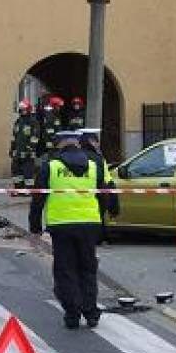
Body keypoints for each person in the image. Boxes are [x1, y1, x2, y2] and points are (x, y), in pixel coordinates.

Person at [29, 131, 118, 330]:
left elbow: (38, 199)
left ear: (59, 145)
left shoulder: (50, 166)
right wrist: (104, 217)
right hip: (89, 224)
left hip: (61, 226)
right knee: (87, 268)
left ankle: (72, 313)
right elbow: (104, 194)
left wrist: (34, 228)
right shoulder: (94, 165)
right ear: (77, 144)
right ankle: (91, 312)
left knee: (65, 269)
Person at [78, 128, 119, 244]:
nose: (98, 144)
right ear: (91, 141)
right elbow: (109, 182)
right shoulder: (99, 158)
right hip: (96, 197)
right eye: (96, 141)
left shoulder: (73, 157)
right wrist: (114, 207)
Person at [10, 100, 40, 189]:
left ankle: (28, 189)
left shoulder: (33, 122)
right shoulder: (18, 122)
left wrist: (30, 148)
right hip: (18, 152)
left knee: (28, 171)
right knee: (16, 170)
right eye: (21, 109)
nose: (23, 111)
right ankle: (18, 188)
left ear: (29, 110)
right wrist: (12, 148)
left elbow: (35, 137)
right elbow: (14, 136)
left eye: (24, 109)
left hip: (28, 153)